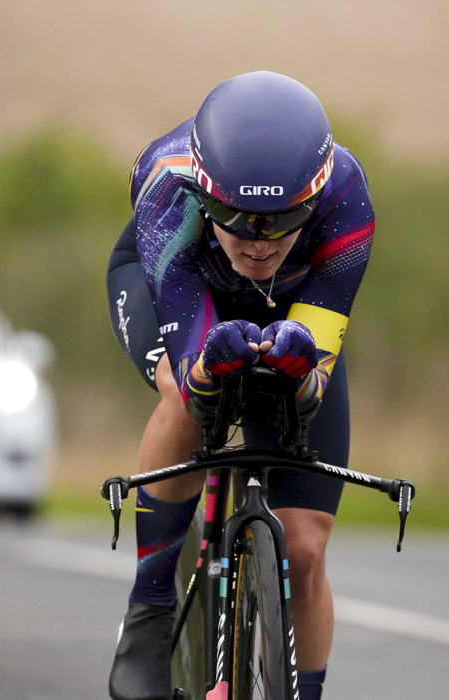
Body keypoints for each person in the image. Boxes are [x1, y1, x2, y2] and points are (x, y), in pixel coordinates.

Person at [106, 71, 374, 700]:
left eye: (283, 221)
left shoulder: (348, 196)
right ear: (204, 194)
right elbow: (197, 372)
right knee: (183, 389)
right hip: (180, 294)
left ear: (315, 198)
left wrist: (300, 373)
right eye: (234, 217)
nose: (258, 243)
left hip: (291, 311)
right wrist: (207, 372)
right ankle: (149, 609)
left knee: (304, 548)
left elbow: (313, 379)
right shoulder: (165, 183)